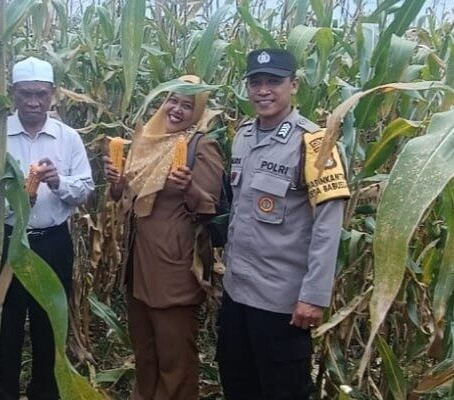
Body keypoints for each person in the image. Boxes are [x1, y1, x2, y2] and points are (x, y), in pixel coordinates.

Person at [217, 48, 350, 400]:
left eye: (274, 82)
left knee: (283, 391)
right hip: (236, 292)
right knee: (238, 384)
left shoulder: (317, 144)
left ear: (294, 85)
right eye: (255, 82)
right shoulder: (243, 136)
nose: (263, 90)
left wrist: (313, 296)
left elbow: (328, 224)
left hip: (281, 302)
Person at [0, 57, 95, 400]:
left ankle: (46, 392)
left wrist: (58, 182)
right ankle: (4, 392)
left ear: (53, 94)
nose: (33, 102)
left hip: (53, 242)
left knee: (50, 324)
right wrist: (13, 200)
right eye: (25, 94)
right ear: (13, 93)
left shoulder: (67, 138)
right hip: (10, 241)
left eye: (41, 94)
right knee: (7, 325)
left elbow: (85, 189)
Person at [106, 75, 224, 400]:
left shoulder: (202, 146)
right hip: (138, 264)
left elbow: (209, 205)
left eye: (188, 105)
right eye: (173, 100)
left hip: (173, 268)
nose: (177, 109)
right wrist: (116, 182)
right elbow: (126, 195)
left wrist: (189, 187)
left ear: (198, 111)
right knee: (145, 351)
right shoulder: (147, 138)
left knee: (175, 357)